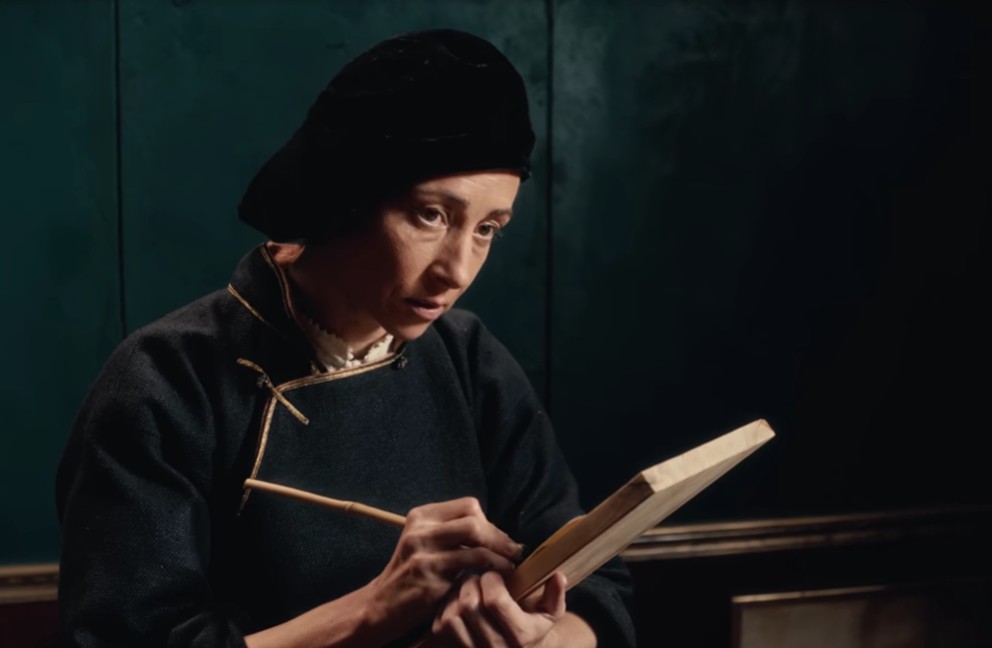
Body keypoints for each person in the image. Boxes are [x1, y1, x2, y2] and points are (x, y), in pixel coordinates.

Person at [56, 28, 636, 648]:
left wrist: (534, 637)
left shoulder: (469, 358)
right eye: (430, 215)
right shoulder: (165, 382)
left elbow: (593, 588)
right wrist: (373, 610)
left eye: (488, 228)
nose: (458, 270)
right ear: (345, 195)